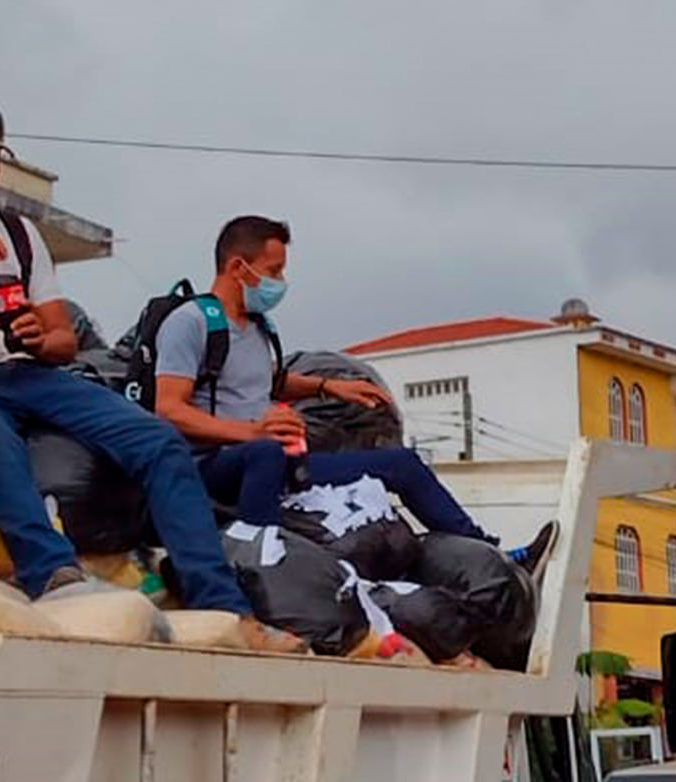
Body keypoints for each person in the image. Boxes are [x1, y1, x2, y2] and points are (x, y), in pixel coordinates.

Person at [0, 97, 256, 618]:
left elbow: (63, 340)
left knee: (157, 439)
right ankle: (53, 573)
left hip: (19, 371)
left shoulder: (19, 234)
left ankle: (220, 602)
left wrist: (39, 338)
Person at [153, 215, 555, 574]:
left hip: (273, 462)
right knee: (266, 453)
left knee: (402, 463)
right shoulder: (190, 323)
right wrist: (252, 433)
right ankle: (259, 570)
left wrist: (330, 387)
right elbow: (168, 409)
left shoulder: (258, 326)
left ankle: (498, 557)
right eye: (274, 271)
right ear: (238, 267)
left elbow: (265, 380)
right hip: (215, 466)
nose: (280, 282)